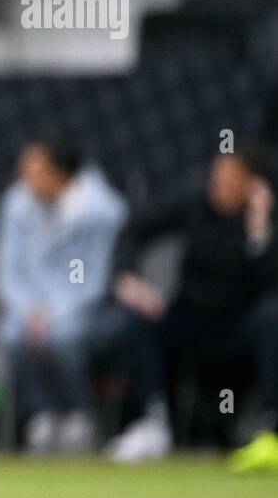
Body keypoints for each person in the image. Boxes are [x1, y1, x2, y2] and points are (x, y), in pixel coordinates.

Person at [105, 146, 278, 465]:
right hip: (191, 320)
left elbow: (268, 281)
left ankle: (270, 428)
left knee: (272, 317)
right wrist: (128, 278)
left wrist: (258, 230)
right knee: (139, 320)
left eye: (232, 180)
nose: (221, 187)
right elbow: (134, 230)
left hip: (240, 327)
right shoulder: (194, 204)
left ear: (254, 185)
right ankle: (153, 423)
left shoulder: (264, 223)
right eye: (218, 178)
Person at [0, 139, 128, 453]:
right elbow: (8, 272)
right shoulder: (15, 205)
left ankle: (81, 417)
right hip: (30, 310)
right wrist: (29, 311)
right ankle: (41, 416)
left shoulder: (102, 211)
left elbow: (92, 276)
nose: (25, 177)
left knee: (65, 338)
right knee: (10, 336)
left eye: (35, 170)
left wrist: (55, 314)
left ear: (60, 173)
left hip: (84, 310)